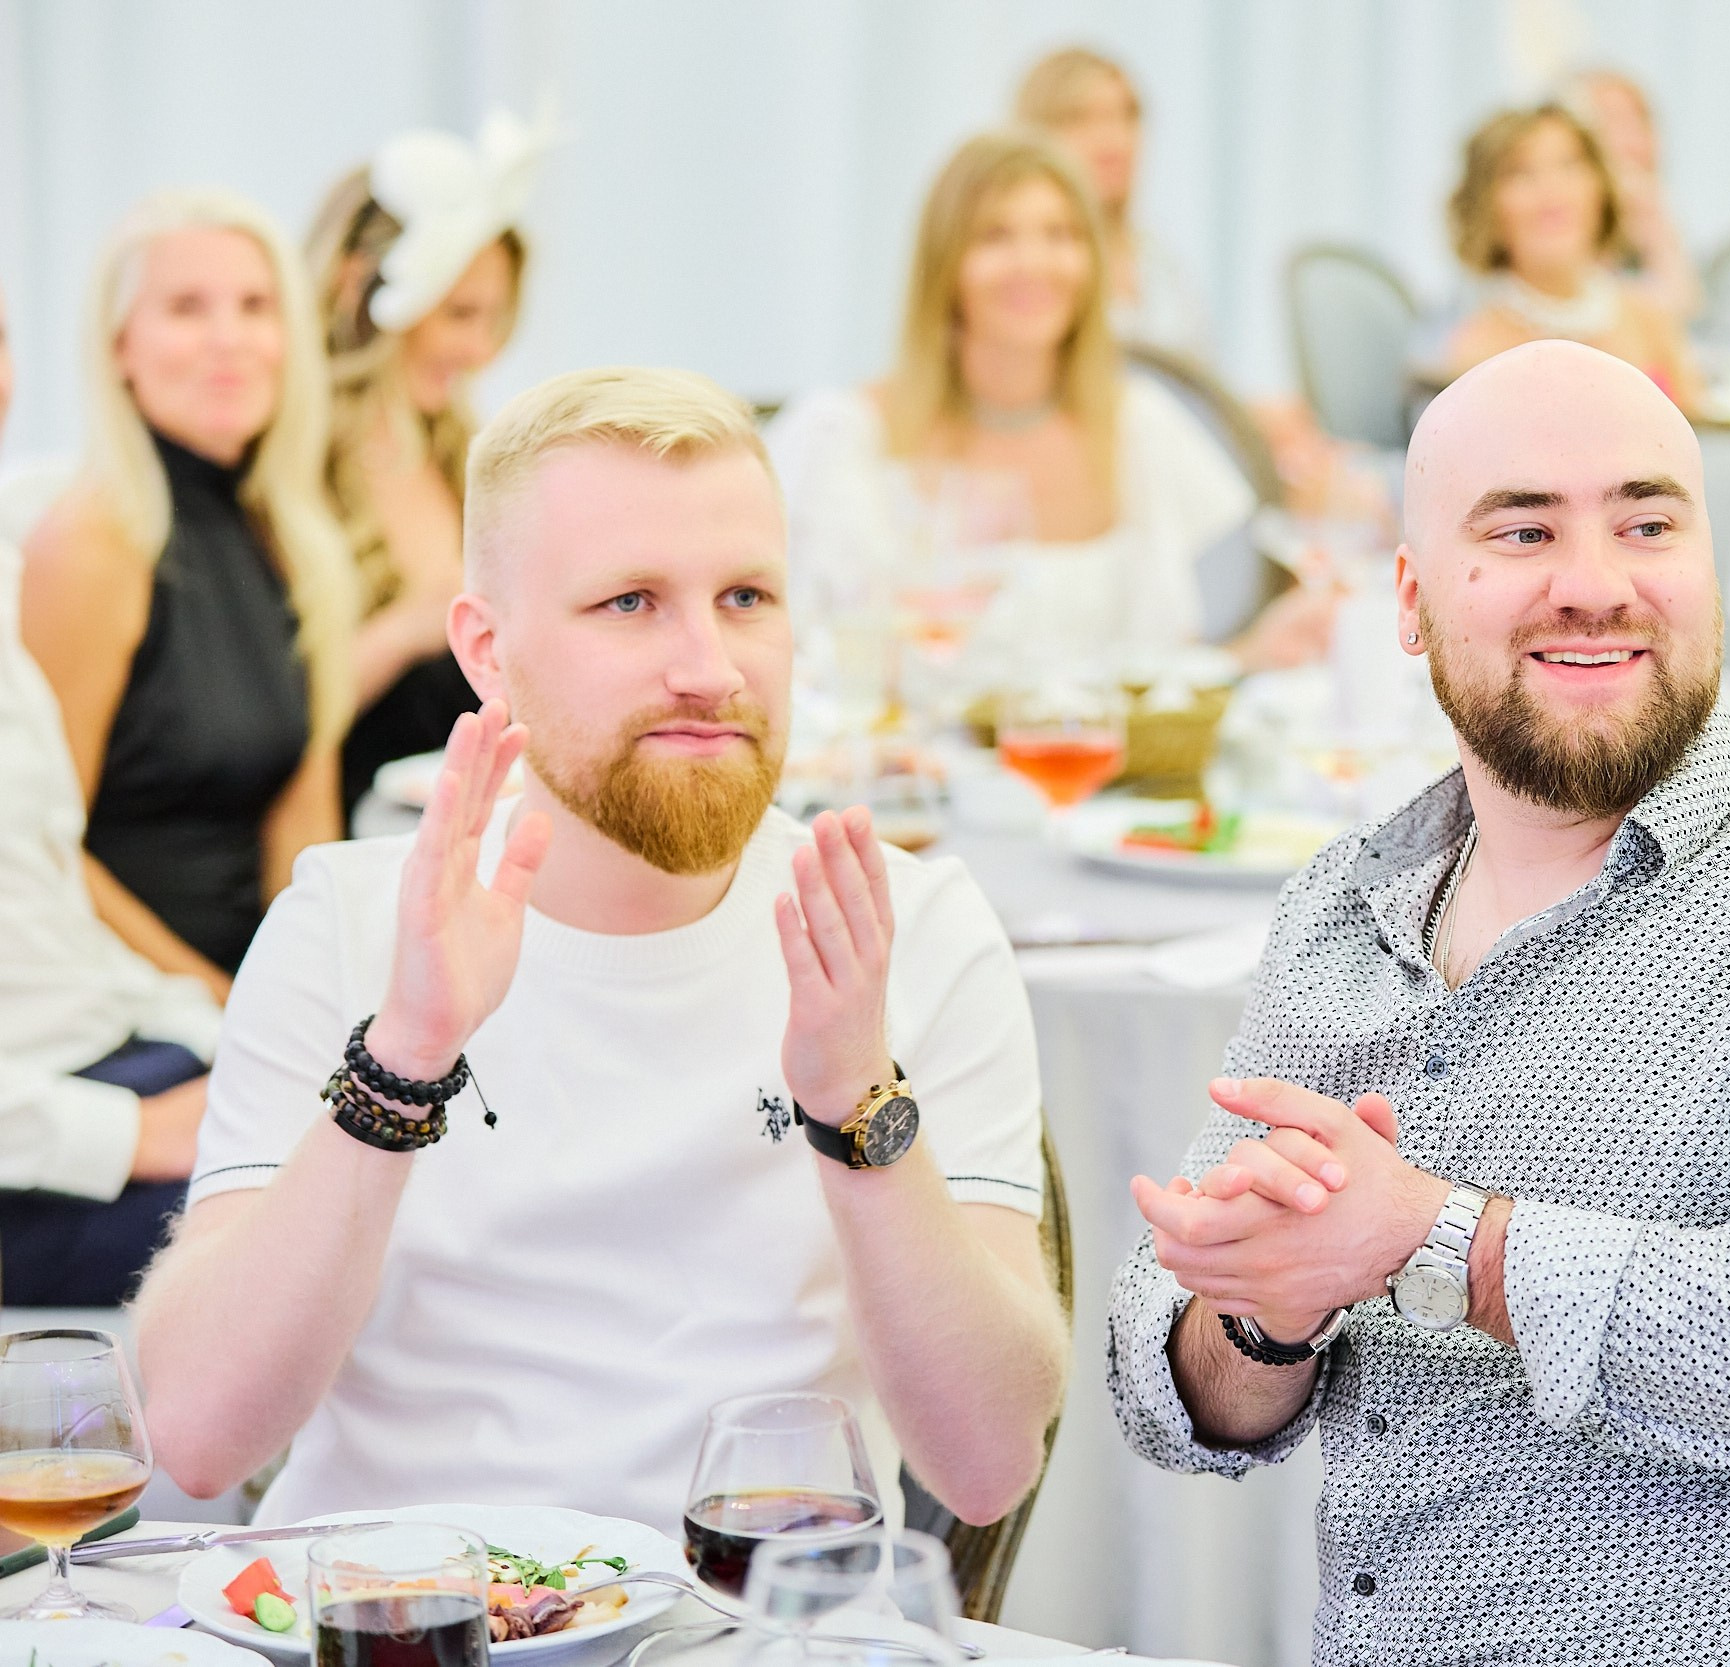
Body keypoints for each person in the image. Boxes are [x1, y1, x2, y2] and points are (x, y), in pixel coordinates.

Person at [1109, 340, 1730, 1665]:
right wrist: (1268, 1309)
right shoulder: (1343, 907)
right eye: (1525, 529)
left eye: (1647, 522)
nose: (1596, 585)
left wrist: (1435, 1240)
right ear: (1414, 600)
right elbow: (1175, 1398)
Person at [133, 368, 1068, 1533]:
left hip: (756, 1627)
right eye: (630, 602)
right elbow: (199, 1430)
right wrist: (405, 1058)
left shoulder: (909, 929)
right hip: (394, 1619)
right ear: (486, 648)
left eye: (745, 597)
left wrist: (853, 1105)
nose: (709, 667)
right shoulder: (346, 922)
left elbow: (985, 1465)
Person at [768, 131, 1329, 678]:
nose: (1033, 262)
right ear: (944, 265)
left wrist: (1254, 652)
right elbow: (804, 669)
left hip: (1107, 773)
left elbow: (1158, 682)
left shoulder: (1138, 427)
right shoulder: (844, 438)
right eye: (994, 236)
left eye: (1061, 235)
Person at [19, 191, 356, 993]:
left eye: (255, 306)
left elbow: (304, 825)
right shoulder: (92, 546)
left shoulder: (294, 540)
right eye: (185, 308)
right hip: (127, 995)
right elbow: (42, 848)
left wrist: (323, 990)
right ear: (120, 348)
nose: (229, 340)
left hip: (256, 980)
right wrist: (222, 1006)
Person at [0, 280, 222, 1307]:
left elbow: (44, 896)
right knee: (343, 1217)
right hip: (35, 1152)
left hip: (94, 1057)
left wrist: (218, 1028)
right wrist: (136, 1132)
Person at [309, 113, 542, 822]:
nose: (481, 350)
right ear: (359, 288)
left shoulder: (460, 451)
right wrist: (410, 625)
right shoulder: (292, 464)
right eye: (458, 315)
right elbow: (271, 718)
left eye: (492, 320)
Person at [1433, 104, 1698, 400]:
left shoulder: (1650, 320)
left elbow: (1701, 429)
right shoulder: (1476, 353)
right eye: (1521, 173)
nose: (1552, 190)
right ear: (1485, 208)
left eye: (1570, 165)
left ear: (1601, 191)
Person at [1014, 46, 1213, 360]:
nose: (1114, 138)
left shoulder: (1159, 262)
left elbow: (1196, 386)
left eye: (1127, 116)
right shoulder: (1022, 265)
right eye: (1082, 118)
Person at [1559, 66, 1702, 327]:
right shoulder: (1550, 236)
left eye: (1640, 122)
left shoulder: (1652, 225)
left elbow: (1685, 320)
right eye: (1610, 123)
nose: (1634, 142)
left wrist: (1658, 232)